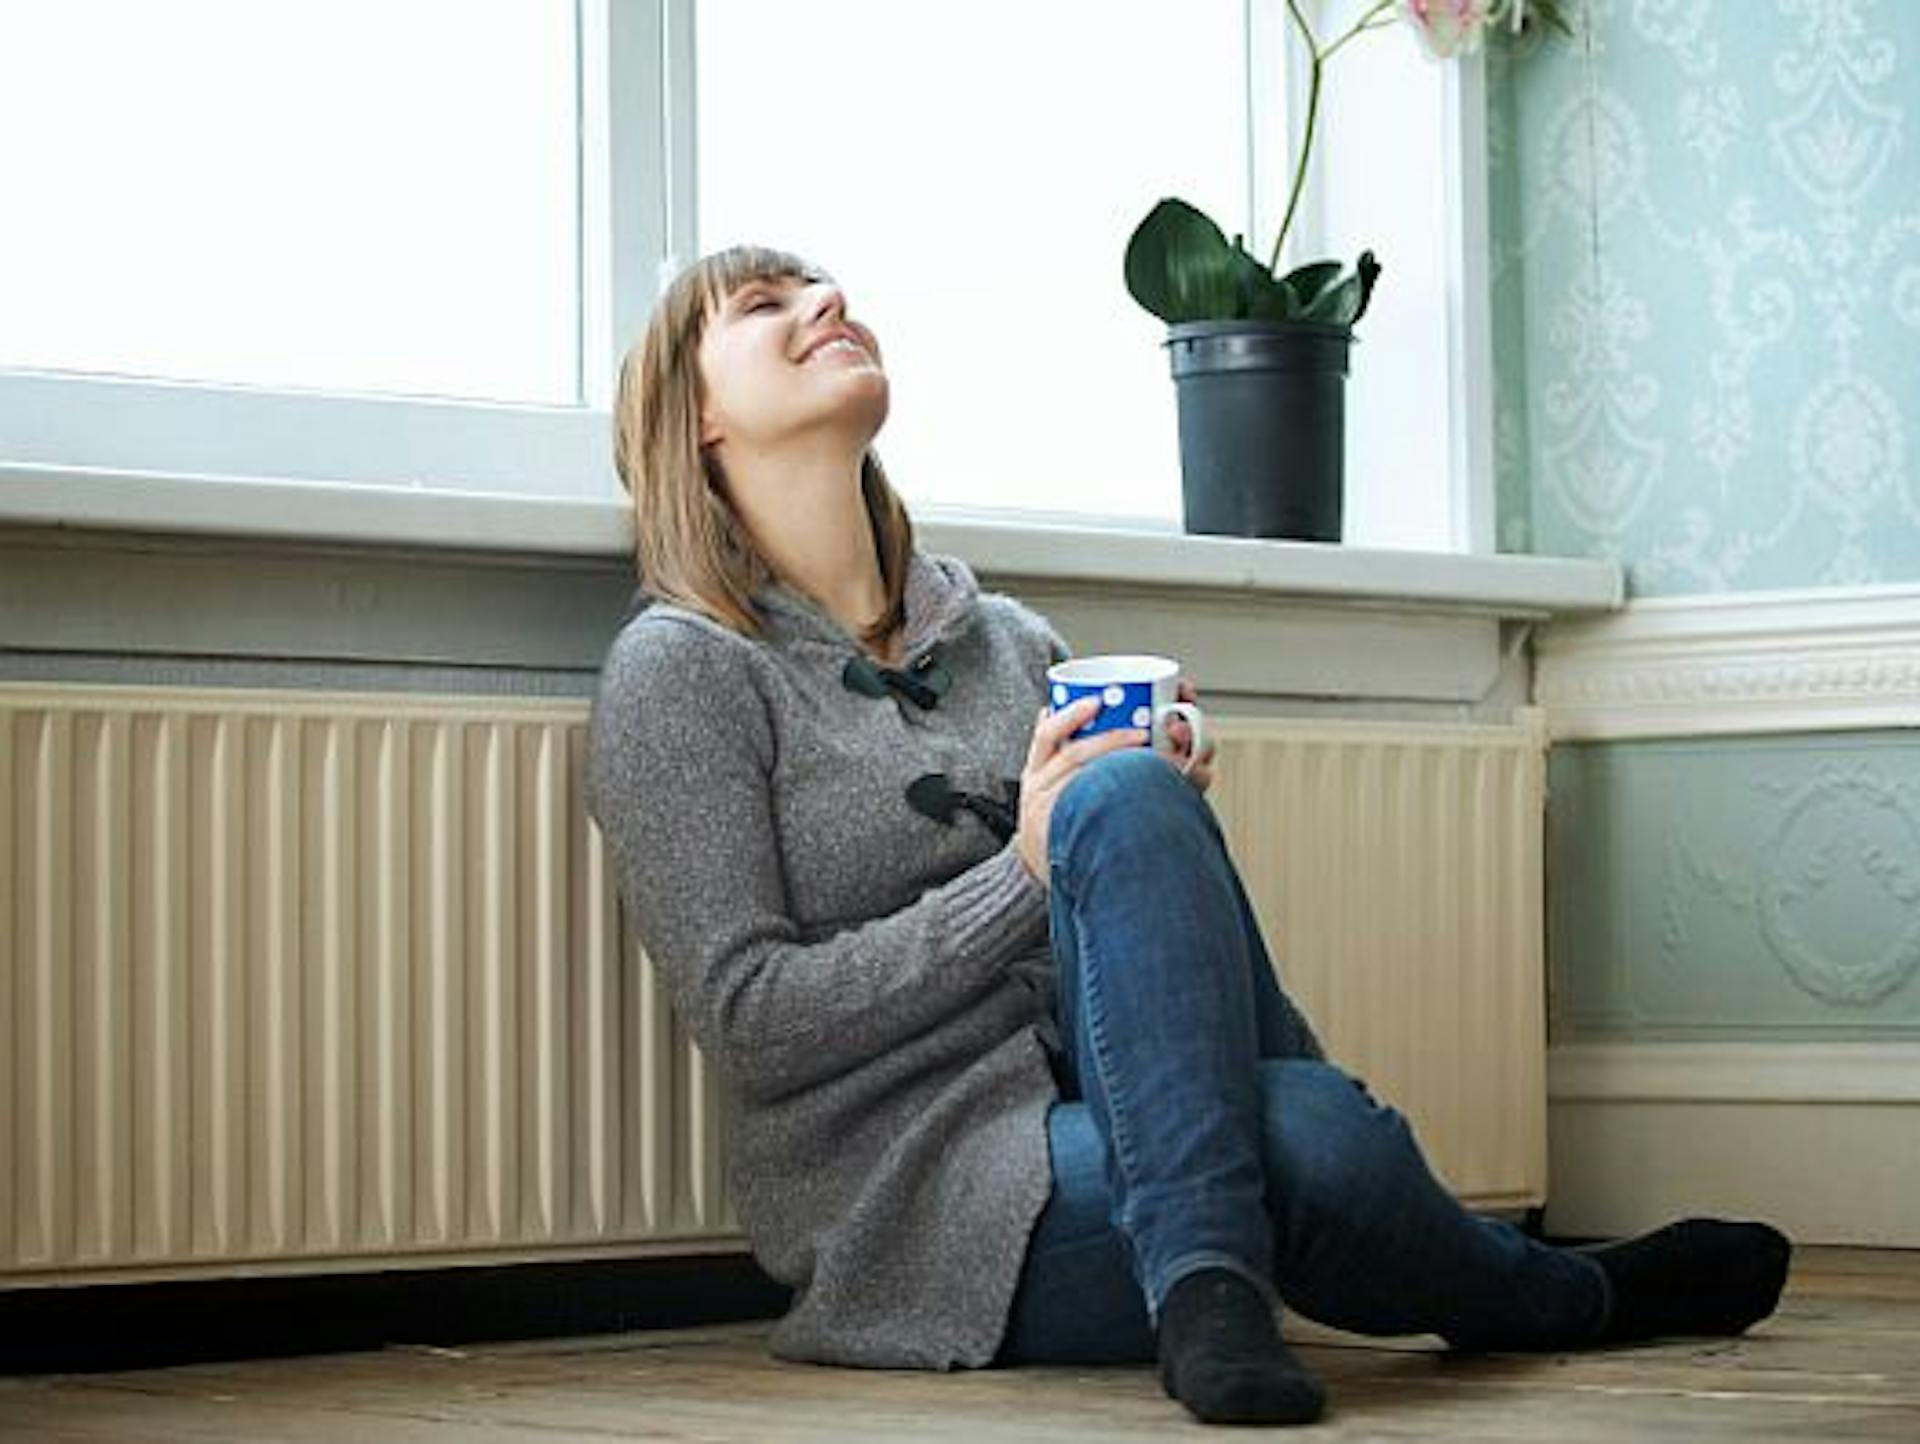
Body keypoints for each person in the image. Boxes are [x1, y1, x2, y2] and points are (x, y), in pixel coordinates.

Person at [584, 244, 1792, 1428]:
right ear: (695, 416)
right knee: (1316, 1147)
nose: (829, 299)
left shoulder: (1012, 645)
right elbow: (751, 1019)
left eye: (823, 284)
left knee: (1144, 829)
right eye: (766, 303)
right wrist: (1021, 874)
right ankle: (1545, 1293)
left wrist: (1158, 819)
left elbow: (1135, 940)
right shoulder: (682, 671)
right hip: (929, 1203)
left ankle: (1214, 1294)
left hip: (1141, 1112)